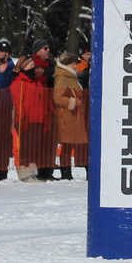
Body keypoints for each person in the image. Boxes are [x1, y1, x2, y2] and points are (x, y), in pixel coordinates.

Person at [52, 52, 87, 180]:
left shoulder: (71, 77)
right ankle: (66, 173)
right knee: (67, 145)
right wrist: (73, 102)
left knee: (74, 145)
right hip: (66, 117)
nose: (75, 66)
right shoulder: (62, 77)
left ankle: (69, 172)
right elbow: (57, 98)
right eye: (72, 64)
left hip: (75, 117)